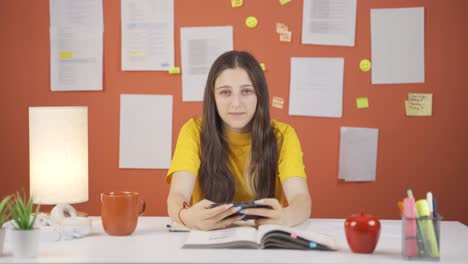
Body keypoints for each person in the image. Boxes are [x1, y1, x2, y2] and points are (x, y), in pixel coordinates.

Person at [166, 50, 311, 231]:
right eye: (225, 92)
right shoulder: (194, 131)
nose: (236, 103)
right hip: (207, 239)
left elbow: (301, 200)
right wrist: (185, 216)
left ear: (260, 96)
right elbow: (177, 195)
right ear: (213, 97)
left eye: (247, 91)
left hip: (263, 242)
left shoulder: (284, 135)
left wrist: (285, 216)